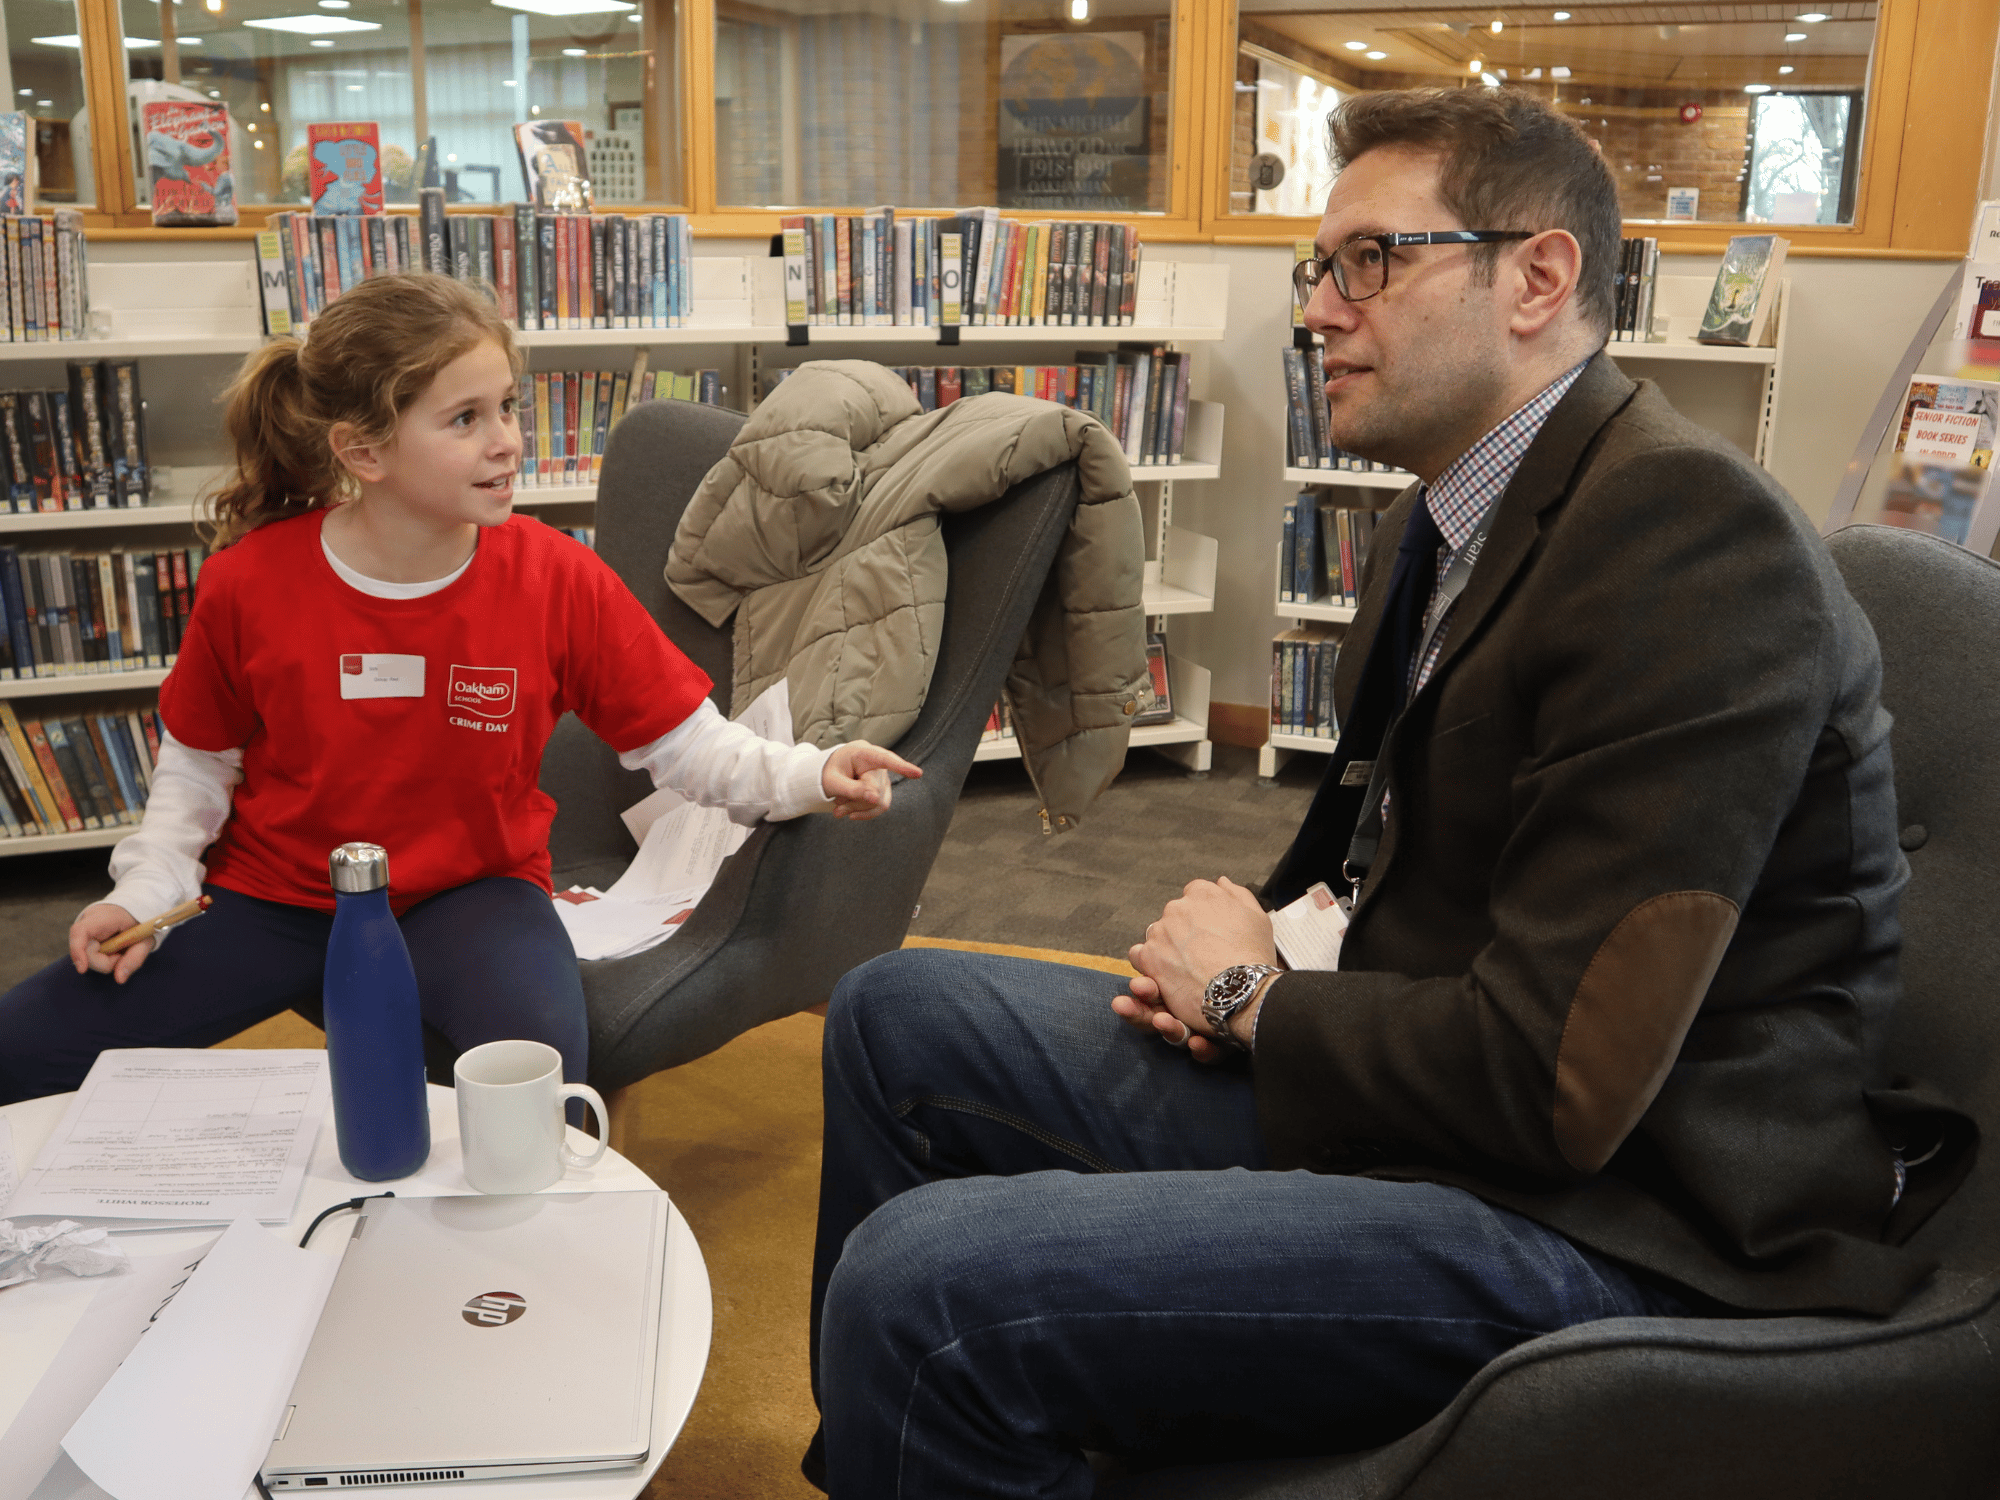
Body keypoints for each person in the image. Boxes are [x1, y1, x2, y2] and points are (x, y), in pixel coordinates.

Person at [803, 87, 1970, 1498]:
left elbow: (1563, 1089)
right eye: (1319, 266)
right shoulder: (1452, 510)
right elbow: (1375, 856)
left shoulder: (1689, 542)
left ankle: (953, 1405)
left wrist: (1255, 1003)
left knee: (924, 1290)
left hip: (1624, 1211)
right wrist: (1239, 966)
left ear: (1537, 277)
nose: (1317, 310)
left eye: (1372, 260)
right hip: (1438, 1098)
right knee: (892, 1015)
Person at [0, 271, 919, 1108]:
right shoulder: (251, 582)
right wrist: (146, 888)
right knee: (22, 1051)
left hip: (471, 896)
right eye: (465, 419)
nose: (509, 442)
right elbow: (198, 766)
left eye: (508, 407)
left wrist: (811, 771)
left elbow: (686, 744)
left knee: (541, 1098)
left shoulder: (556, 577)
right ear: (363, 452)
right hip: (271, 897)